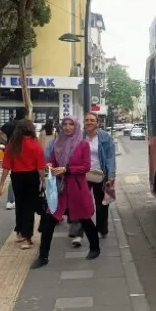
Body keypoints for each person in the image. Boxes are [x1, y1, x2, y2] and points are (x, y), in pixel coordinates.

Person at [31, 115, 100, 269]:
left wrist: (67, 169)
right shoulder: (57, 143)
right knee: (48, 222)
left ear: (76, 127)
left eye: (71, 124)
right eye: (65, 124)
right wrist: (50, 167)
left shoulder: (83, 144)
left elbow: (86, 166)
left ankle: (95, 247)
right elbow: (53, 162)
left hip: (77, 189)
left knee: (85, 220)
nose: (68, 127)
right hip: (60, 190)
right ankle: (43, 256)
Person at [68, 112, 117, 247]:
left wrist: (111, 176)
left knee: (101, 204)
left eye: (92, 120)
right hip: (82, 175)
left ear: (97, 123)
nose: (89, 122)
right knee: (81, 203)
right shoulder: (78, 138)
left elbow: (110, 158)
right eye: (87, 120)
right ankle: (78, 234)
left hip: (100, 175)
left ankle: (102, 228)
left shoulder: (105, 138)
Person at [0, 120, 45, 250]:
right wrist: (44, 182)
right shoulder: (35, 144)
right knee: (29, 208)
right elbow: (40, 167)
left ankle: (21, 233)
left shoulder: (12, 144)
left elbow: (6, 166)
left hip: (17, 178)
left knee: (20, 205)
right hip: (32, 177)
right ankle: (28, 238)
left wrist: (1, 185)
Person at [0, 108, 26, 210]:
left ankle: (10, 200)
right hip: (24, 151)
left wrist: (5, 143)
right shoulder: (26, 126)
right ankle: (19, 199)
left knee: (14, 174)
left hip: (11, 150)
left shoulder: (9, 124)